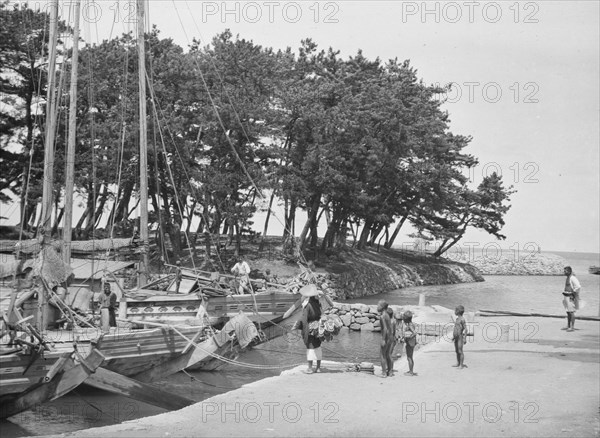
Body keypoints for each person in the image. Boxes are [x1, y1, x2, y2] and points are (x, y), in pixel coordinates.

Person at [300, 284, 323, 374]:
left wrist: (303, 330)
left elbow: (304, 319)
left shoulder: (308, 305)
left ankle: (310, 368)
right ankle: (318, 368)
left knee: (310, 347)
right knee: (318, 346)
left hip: (310, 328)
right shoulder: (318, 304)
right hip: (318, 327)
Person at [377, 300, 395, 377]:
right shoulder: (387, 315)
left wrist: (383, 339)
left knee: (382, 355)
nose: (377, 307)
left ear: (382, 307)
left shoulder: (382, 316)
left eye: (378, 305)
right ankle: (390, 372)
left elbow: (384, 329)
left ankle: (384, 373)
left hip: (386, 337)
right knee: (388, 354)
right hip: (390, 337)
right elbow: (389, 328)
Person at [562, 266, 581, 331]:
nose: (564, 272)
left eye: (565, 271)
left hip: (570, 296)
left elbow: (578, 286)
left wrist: (573, 293)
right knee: (568, 312)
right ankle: (568, 325)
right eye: (564, 271)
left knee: (571, 312)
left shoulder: (572, 278)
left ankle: (572, 327)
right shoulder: (568, 278)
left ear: (569, 271)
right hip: (566, 296)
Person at [401, 310, 418, 376]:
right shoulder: (410, 324)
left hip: (410, 343)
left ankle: (411, 372)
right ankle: (410, 370)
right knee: (410, 357)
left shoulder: (410, 325)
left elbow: (414, 333)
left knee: (409, 357)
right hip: (411, 342)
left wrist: (408, 338)